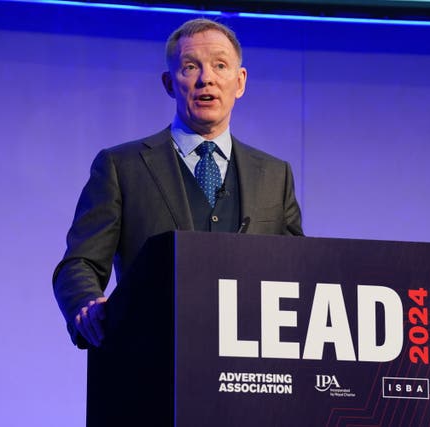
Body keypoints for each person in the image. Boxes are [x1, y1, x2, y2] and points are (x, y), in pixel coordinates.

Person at [53, 18, 303, 349]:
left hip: (251, 365)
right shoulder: (122, 167)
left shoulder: (275, 174)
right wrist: (87, 304)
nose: (206, 79)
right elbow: (79, 263)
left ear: (240, 82)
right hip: (154, 356)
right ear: (170, 83)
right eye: (190, 67)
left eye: (220, 65)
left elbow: (300, 270)